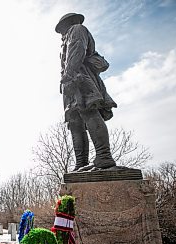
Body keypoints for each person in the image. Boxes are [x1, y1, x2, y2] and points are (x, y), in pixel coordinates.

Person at [56, 13, 117, 172]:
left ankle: (104, 156)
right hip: (70, 82)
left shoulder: (77, 29)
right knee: (75, 122)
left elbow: (77, 49)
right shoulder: (65, 40)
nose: (61, 33)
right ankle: (81, 163)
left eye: (61, 29)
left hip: (79, 78)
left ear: (68, 23)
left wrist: (69, 76)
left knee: (89, 112)